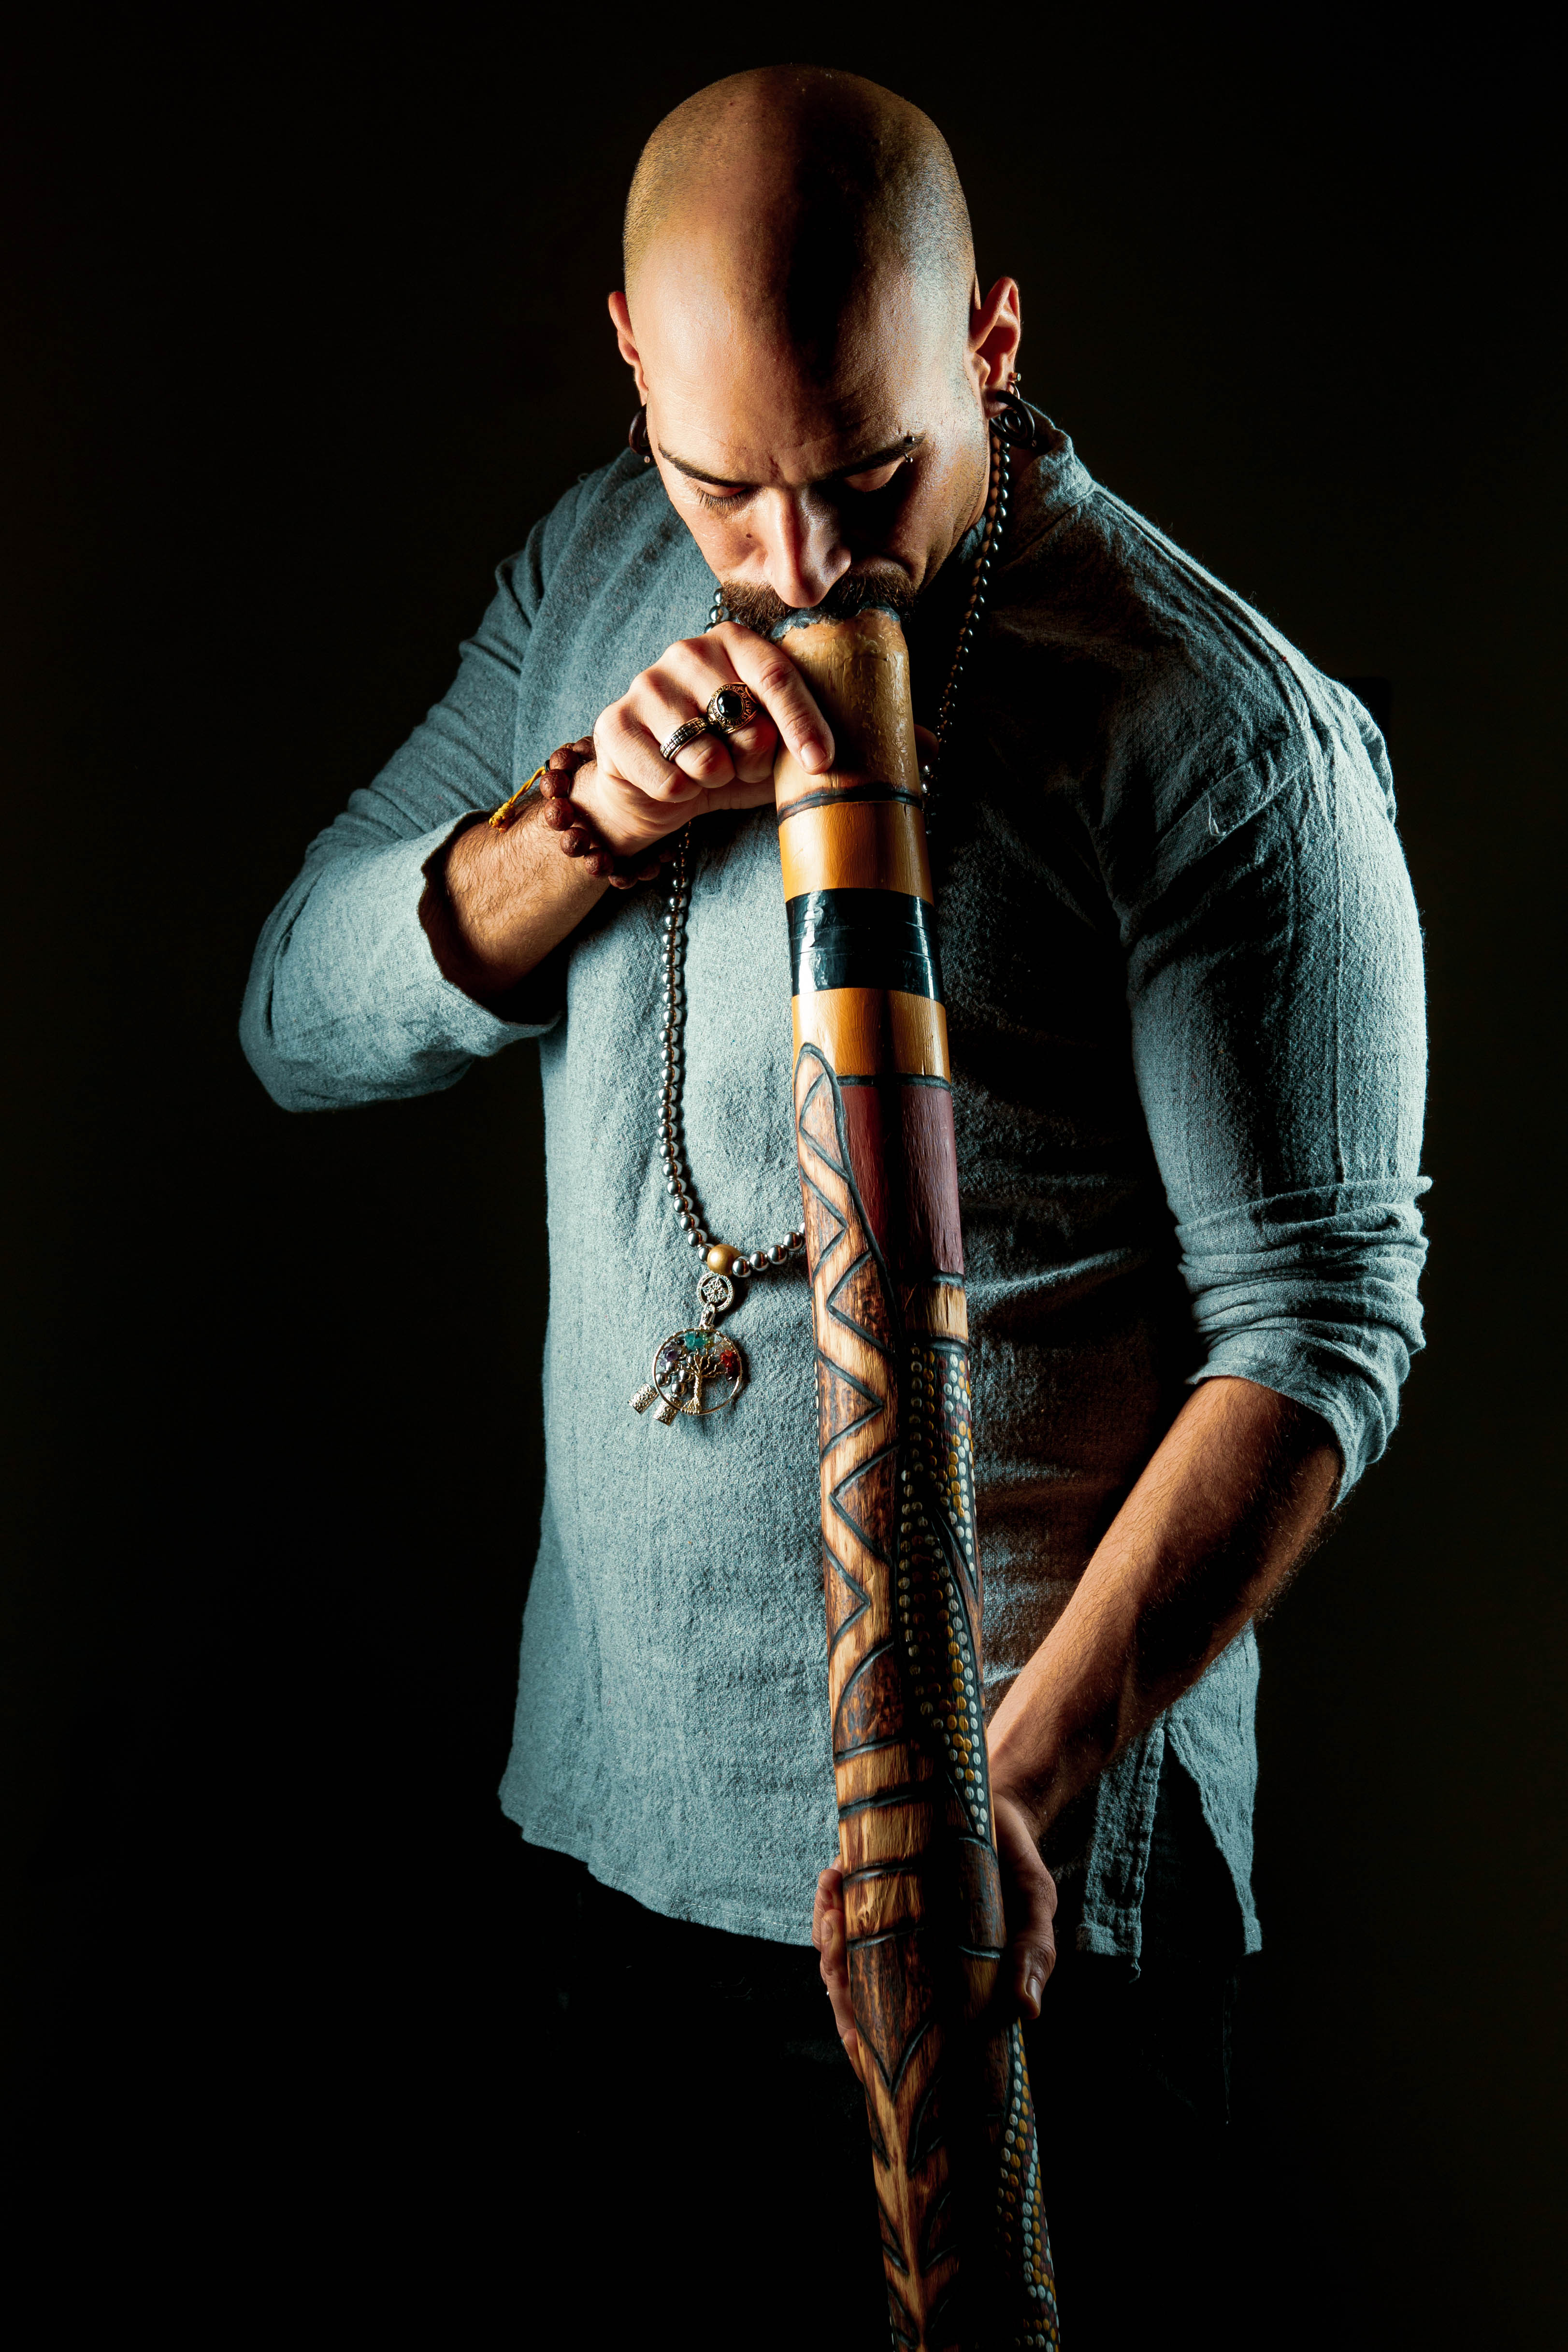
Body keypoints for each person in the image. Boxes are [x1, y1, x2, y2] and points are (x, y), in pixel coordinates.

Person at [241, 64, 1427, 2350]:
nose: (794, 564)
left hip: (1011, 1904)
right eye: (725, 486)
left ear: (991, 340)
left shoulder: (1222, 732)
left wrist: (991, 1804)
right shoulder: (590, 570)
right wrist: (577, 826)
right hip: (607, 1832)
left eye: (868, 478)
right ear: (627, 361)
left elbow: (1317, 1339)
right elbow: (299, 1018)